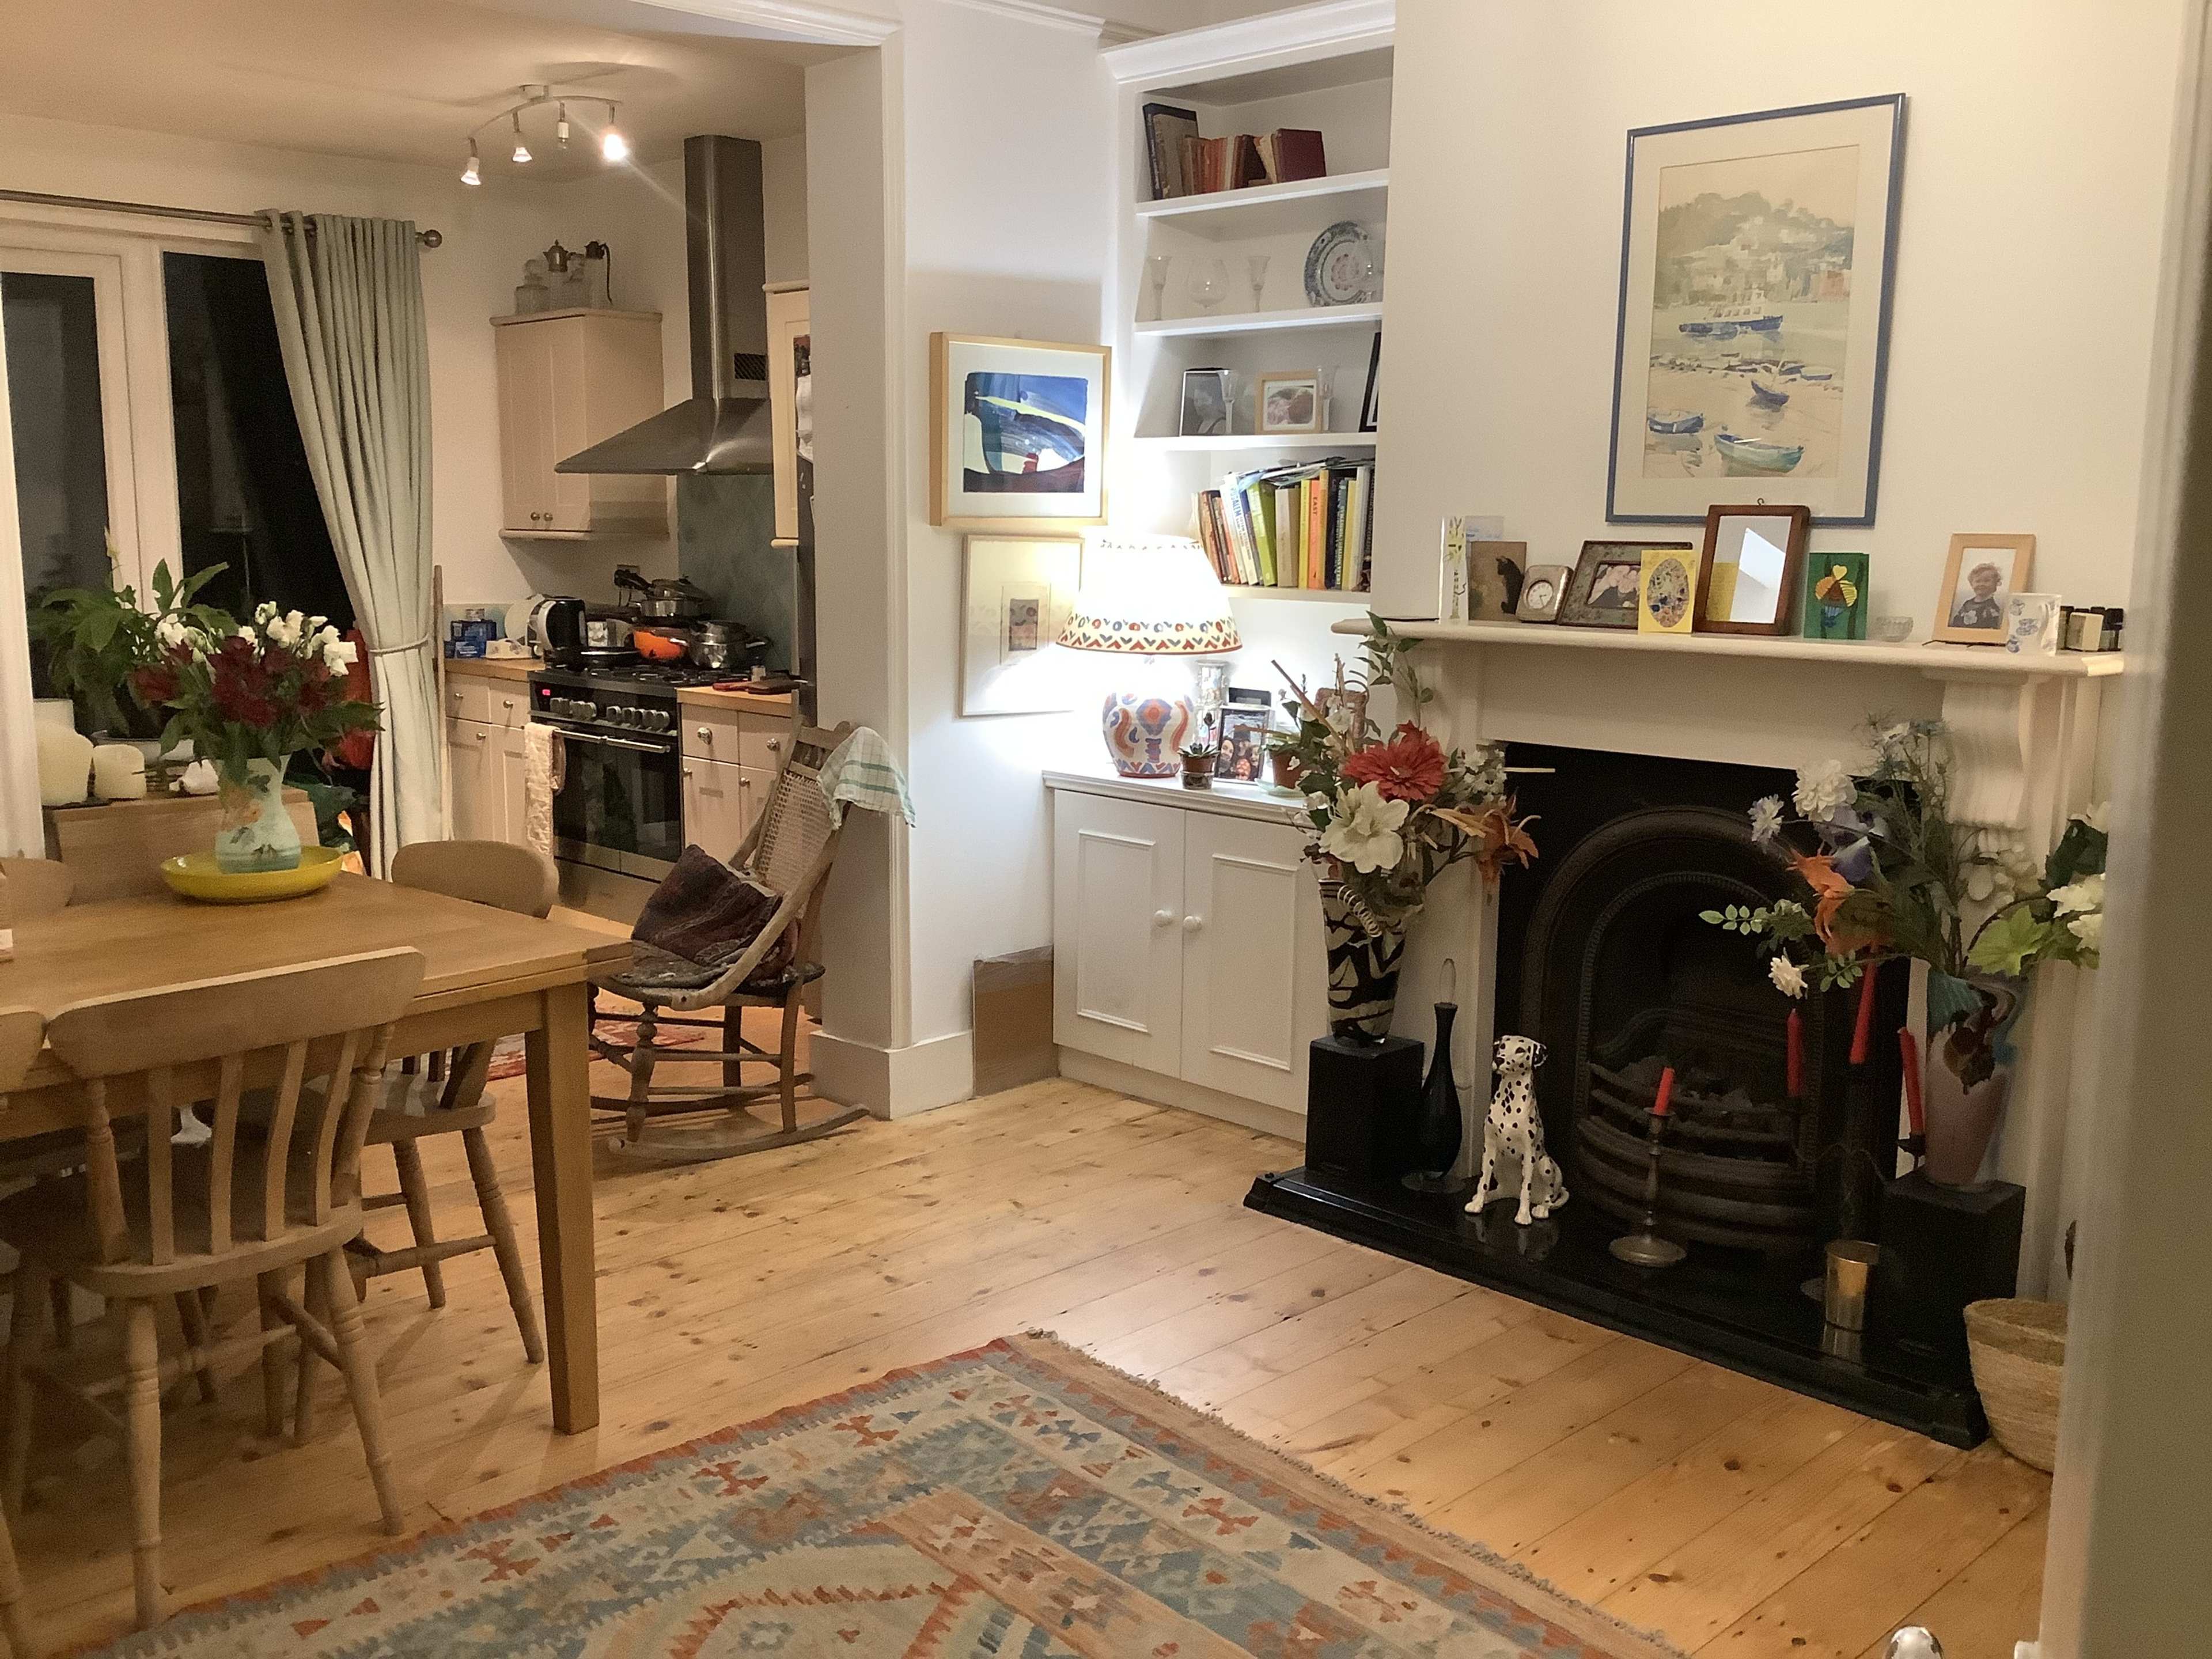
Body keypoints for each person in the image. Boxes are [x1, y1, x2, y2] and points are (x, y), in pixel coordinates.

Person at [1950, 562, 2006, 630]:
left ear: (1996, 584)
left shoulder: (1992, 609)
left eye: (1987, 581)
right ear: (1972, 584)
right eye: (1978, 581)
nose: (1981, 584)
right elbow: (1956, 623)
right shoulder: (1967, 604)